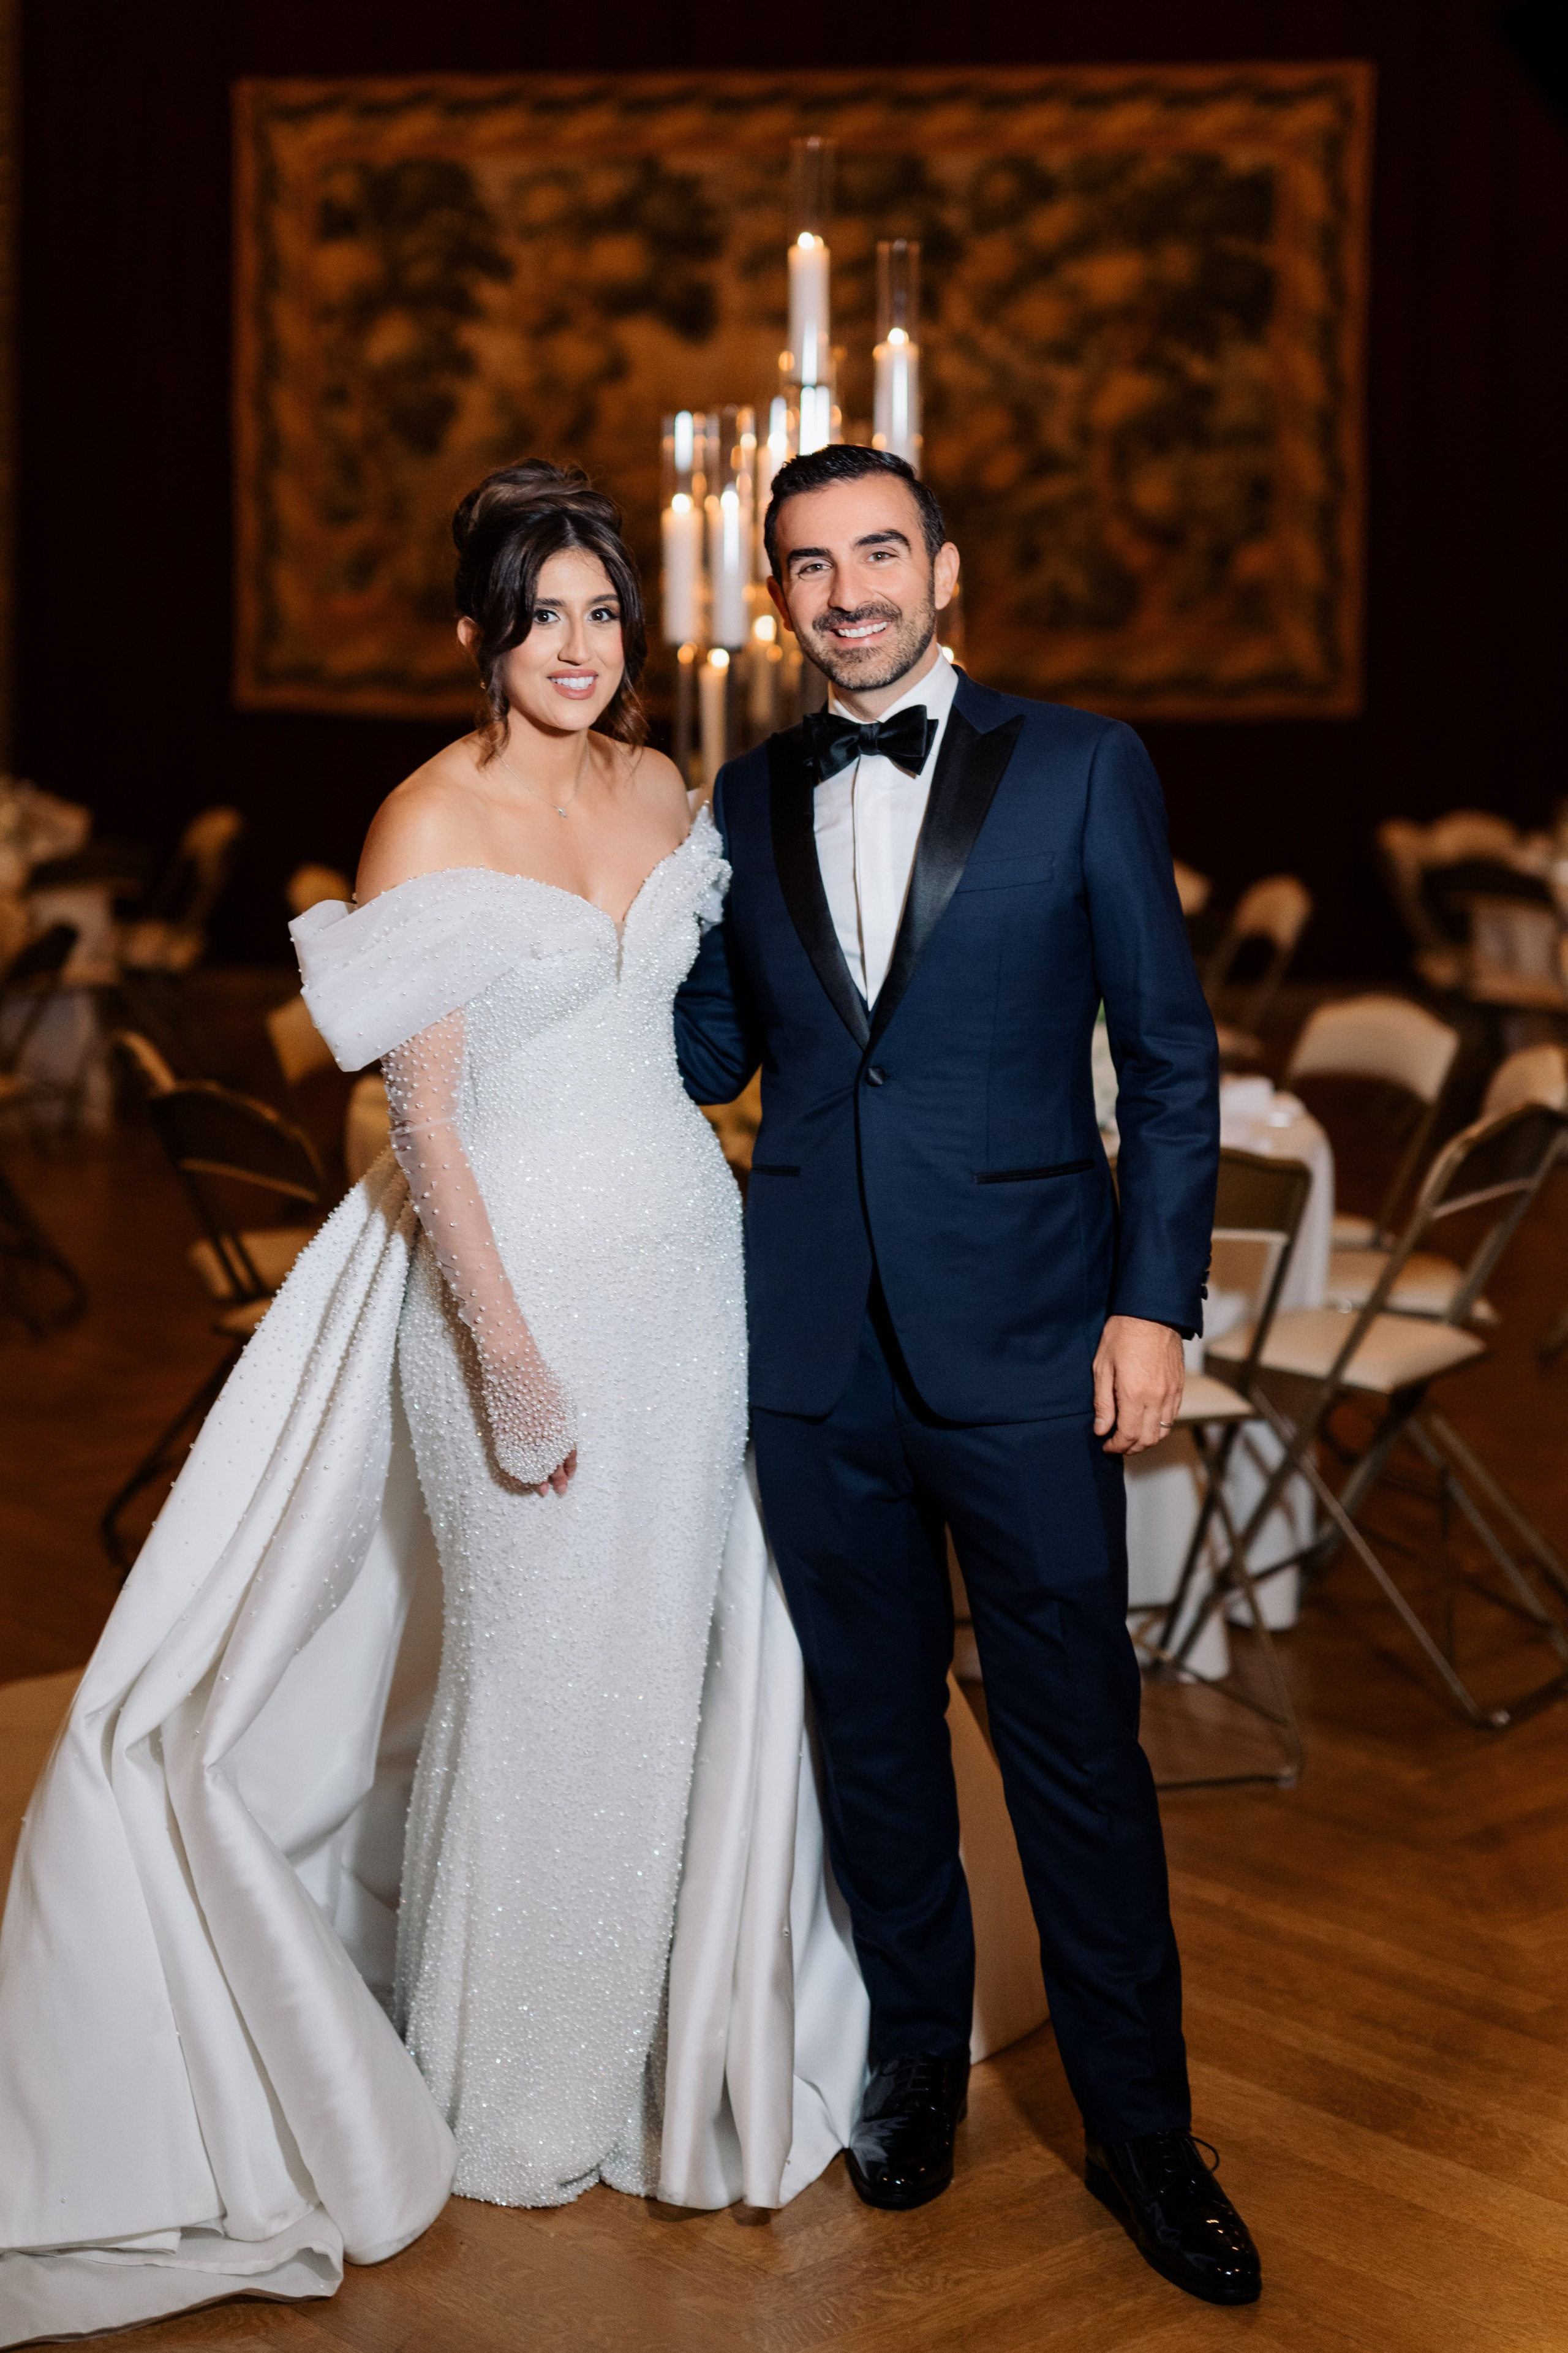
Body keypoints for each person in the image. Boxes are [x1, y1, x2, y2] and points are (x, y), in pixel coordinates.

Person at [0, 463, 866, 2347]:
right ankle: (502, 2088)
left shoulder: (663, 790)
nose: (578, 646)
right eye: (543, 613)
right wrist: (508, 1358)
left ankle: (662, 2045)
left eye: (604, 612)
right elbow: (429, 1128)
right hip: (525, 1299)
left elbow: (722, 1023)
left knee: (668, 1666)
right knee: (533, 1671)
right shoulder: (424, 821)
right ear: (483, 632)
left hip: (689, 1284)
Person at [674, 445, 1259, 2307]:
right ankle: (917, 2050)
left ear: (944, 568)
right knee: (872, 1729)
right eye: (807, 566)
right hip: (815, 1352)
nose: (844, 591)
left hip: (1030, 1343)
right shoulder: (740, 794)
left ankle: (1148, 2134)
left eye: (876, 554)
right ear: (776, 598)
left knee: (1076, 1746)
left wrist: (1152, 1306)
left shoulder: (1082, 762)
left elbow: (1170, 1059)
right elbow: (694, 1045)